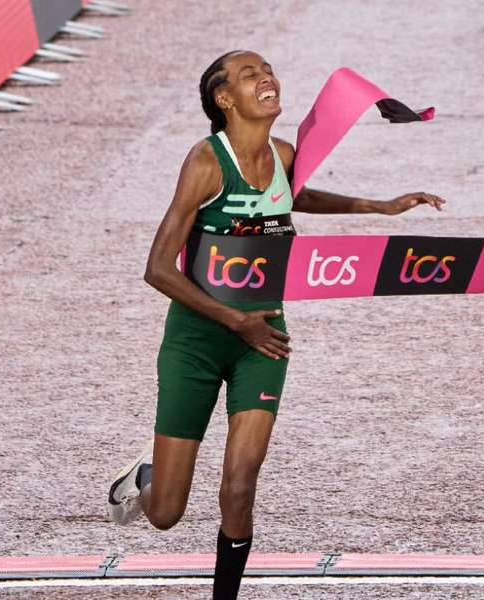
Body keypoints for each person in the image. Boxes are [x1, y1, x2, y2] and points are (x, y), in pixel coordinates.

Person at [106, 50, 445, 599]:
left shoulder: (284, 155)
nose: (265, 78)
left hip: (263, 340)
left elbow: (297, 197)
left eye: (266, 70)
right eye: (248, 75)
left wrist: (381, 208)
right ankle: (144, 479)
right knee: (166, 513)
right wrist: (234, 320)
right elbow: (157, 269)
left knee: (240, 485)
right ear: (224, 99)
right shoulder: (206, 163)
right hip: (196, 340)